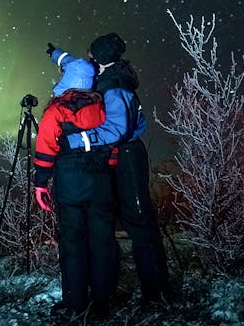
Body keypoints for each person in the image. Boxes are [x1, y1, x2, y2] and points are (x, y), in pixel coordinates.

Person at [52, 33, 171, 307]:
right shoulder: (106, 74)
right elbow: (77, 65)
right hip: (113, 158)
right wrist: (57, 55)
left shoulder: (116, 88)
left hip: (128, 157)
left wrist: (77, 140)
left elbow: (117, 129)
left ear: (101, 59)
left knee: (139, 222)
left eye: (93, 55)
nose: (89, 59)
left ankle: (157, 294)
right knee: (108, 223)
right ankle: (110, 290)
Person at [33, 50, 117, 320]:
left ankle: (75, 304)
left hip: (70, 182)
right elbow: (112, 142)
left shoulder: (56, 110)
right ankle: (103, 303)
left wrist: (40, 184)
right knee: (102, 242)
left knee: (72, 242)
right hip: (101, 181)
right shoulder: (103, 106)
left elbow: (46, 149)